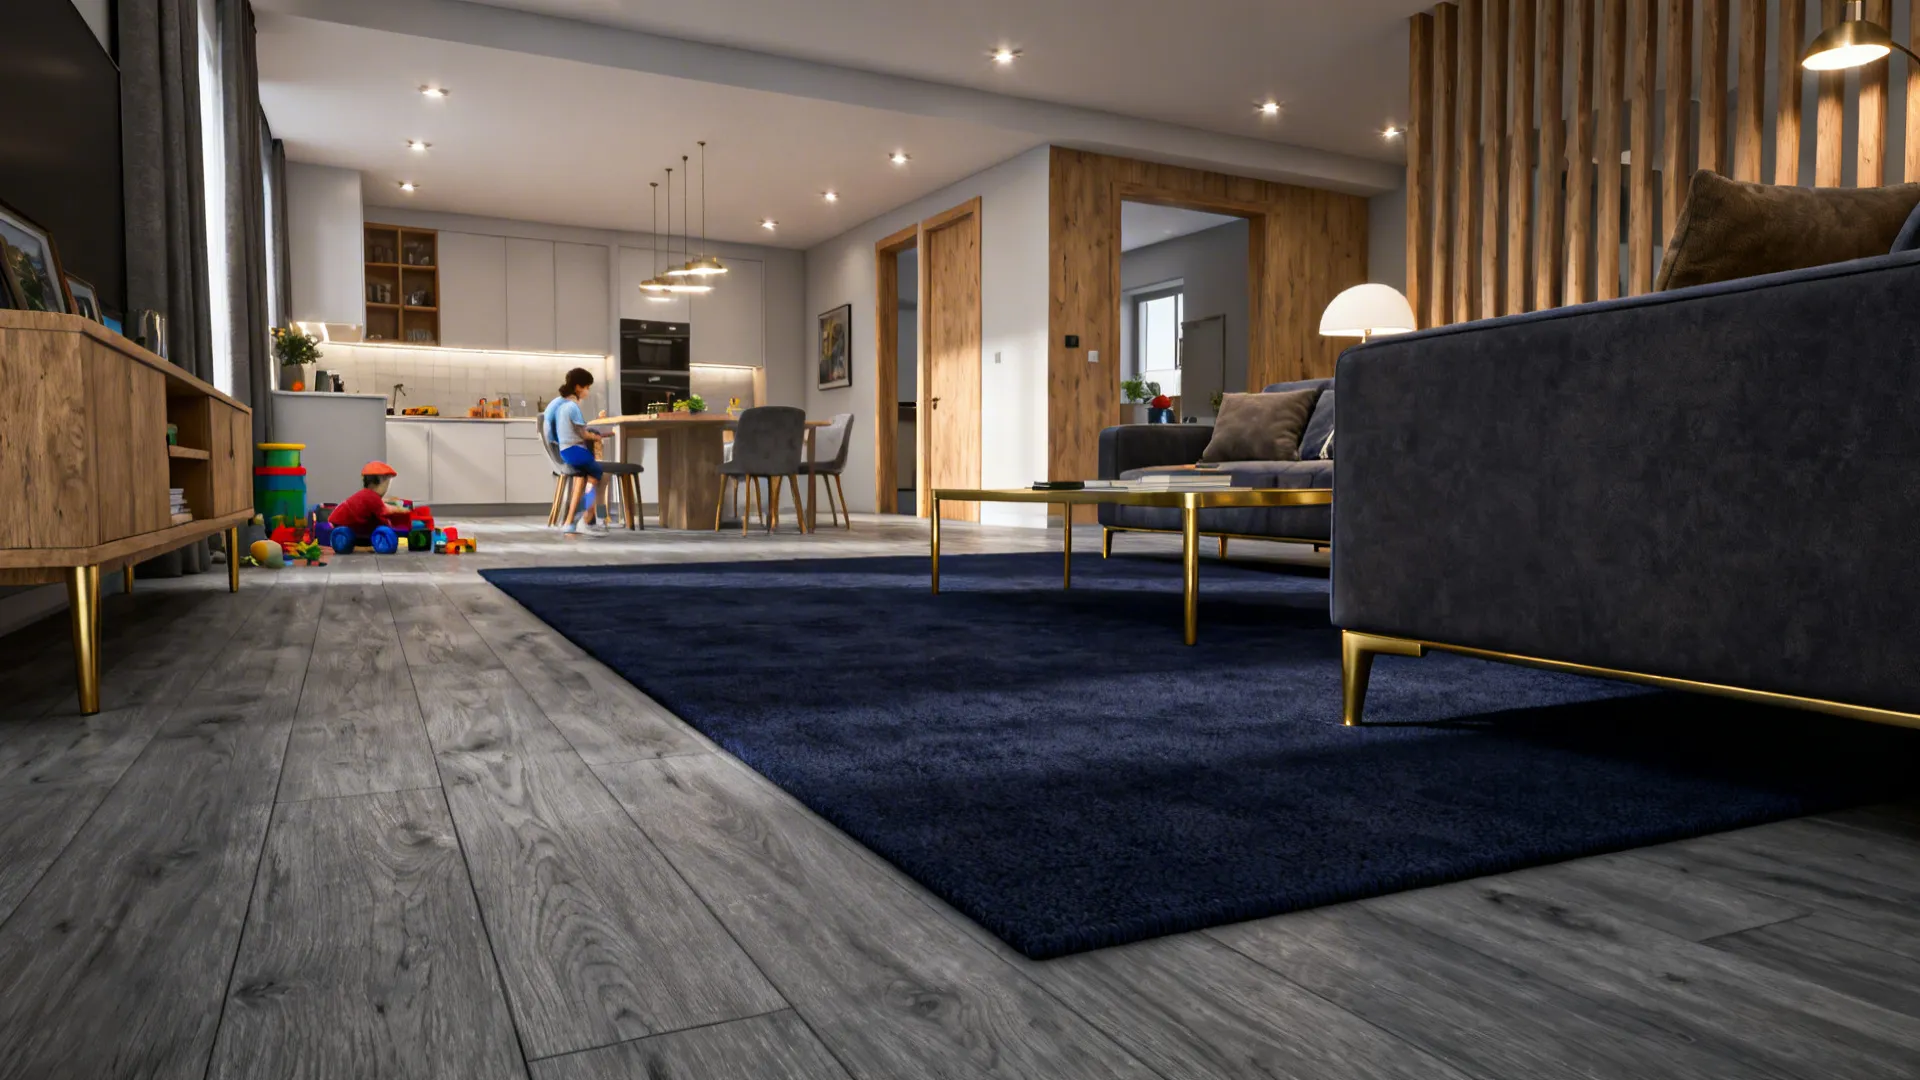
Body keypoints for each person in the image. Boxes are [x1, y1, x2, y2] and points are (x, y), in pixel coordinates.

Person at [542, 367, 608, 535]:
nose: (588, 391)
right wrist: (595, 437)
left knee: (594, 477)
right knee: (600, 476)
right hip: (570, 451)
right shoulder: (571, 406)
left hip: (561, 451)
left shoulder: (560, 404)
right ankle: (590, 519)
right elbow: (580, 432)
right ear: (579, 387)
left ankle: (576, 521)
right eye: (587, 387)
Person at [327, 461, 404, 538]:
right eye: (387, 483)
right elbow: (383, 517)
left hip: (341, 524)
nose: (387, 488)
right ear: (380, 480)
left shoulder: (366, 494)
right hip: (340, 527)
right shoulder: (372, 497)